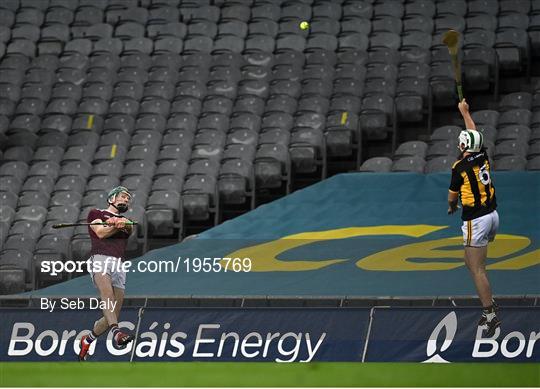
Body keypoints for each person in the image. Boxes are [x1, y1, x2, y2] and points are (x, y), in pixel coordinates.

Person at [448, 99, 501, 337]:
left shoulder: (459, 167)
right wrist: (465, 112)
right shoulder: (482, 156)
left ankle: (490, 313)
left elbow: (451, 197)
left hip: (475, 221)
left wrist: (451, 207)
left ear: (462, 144)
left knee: (477, 269)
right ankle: (488, 303)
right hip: (493, 215)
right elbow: (475, 135)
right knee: (470, 262)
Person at [78, 186, 135, 361]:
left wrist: (120, 224)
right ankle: (117, 334)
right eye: (123, 197)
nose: (125, 200)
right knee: (107, 295)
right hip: (100, 259)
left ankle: (87, 340)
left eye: (128, 198)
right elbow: (101, 233)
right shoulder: (96, 213)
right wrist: (112, 225)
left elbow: (128, 229)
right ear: (111, 199)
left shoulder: (127, 221)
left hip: (119, 264)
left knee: (112, 314)